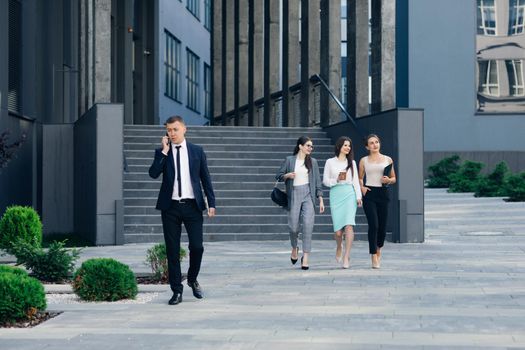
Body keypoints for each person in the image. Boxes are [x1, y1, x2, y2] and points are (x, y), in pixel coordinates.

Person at [149, 115, 216, 305]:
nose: (172, 133)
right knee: (172, 250)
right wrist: (163, 152)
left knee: (197, 247)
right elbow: (153, 174)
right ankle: (176, 291)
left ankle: (192, 278)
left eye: (175, 129)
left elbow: (206, 179)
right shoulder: (163, 152)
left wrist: (211, 203)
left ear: (184, 129)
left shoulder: (196, 151)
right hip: (170, 208)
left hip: (192, 206)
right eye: (169, 130)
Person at [276, 136, 324, 270]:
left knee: (308, 225)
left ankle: (306, 257)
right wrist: (287, 176)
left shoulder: (312, 162)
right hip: (294, 194)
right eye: (308, 145)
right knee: (293, 227)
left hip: (308, 194)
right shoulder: (289, 160)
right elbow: (278, 175)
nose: (310, 148)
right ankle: (294, 247)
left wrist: (320, 199)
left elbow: (318, 182)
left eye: (312, 146)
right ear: (300, 146)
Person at [322, 136, 362, 269]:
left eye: (349, 146)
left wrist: (358, 196)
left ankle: (346, 256)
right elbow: (325, 181)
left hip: (349, 194)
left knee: (349, 226)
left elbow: (355, 181)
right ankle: (339, 245)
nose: (348, 147)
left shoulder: (352, 163)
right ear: (339, 146)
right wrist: (336, 180)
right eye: (345, 145)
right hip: (335, 194)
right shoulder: (330, 162)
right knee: (338, 232)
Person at [358, 134, 396, 269]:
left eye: (377, 142)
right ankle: (373, 254)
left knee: (382, 227)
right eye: (371, 143)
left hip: (383, 193)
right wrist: (361, 187)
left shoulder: (388, 159)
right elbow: (360, 177)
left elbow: (393, 178)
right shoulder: (363, 160)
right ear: (367, 147)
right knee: (373, 225)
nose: (375, 145)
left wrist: (388, 180)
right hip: (369, 194)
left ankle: (379, 248)